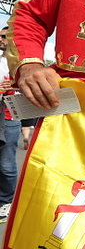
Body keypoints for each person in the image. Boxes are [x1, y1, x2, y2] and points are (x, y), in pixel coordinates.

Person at [0, 26, 21, 224]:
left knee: (6, 166)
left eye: (4, 37)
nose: (0, 39)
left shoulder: (23, 64)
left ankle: (5, 201)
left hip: (9, 119)